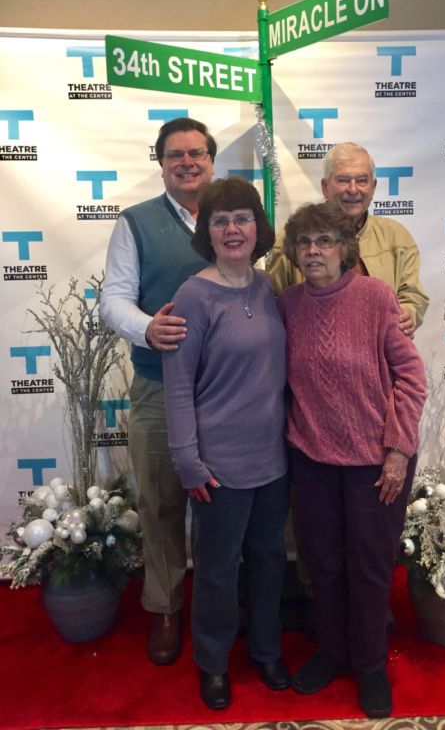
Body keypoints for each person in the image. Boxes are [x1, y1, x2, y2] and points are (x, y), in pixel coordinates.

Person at [277, 201, 427, 719]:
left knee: (368, 570)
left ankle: (368, 665)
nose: (313, 251)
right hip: (312, 459)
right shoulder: (287, 304)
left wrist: (398, 449)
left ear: (345, 248)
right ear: (294, 253)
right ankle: (332, 652)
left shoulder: (376, 297)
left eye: (325, 241)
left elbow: (411, 378)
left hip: (374, 464)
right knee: (322, 565)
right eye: (304, 242)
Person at [162, 176, 290, 710]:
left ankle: (265, 649)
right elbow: (178, 386)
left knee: (268, 560)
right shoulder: (193, 296)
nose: (232, 229)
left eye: (242, 218)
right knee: (216, 571)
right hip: (218, 466)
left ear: (258, 228)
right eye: (220, 220)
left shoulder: (267, 286)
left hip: (275, 460)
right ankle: (212, 663)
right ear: (206, 232)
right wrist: (188, 461)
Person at [100, 117, 216, 665]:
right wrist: (146, 326)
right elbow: (114, 299)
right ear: (162, 163)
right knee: (161, 503)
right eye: (176, 155)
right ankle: (166, 607)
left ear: (212, 160)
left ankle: (220, 606)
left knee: (227, 504)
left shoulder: (233, 215)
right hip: (156, 386)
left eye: (197, 153)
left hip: (228, 395)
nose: (187, 162)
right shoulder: (135, 223)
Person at [268, 141, 429, 336]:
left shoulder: (396, 237)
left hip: (379, 354)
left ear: (373, 186)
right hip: (313, 351)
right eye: (343, 180)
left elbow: (413, 295)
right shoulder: (294, 237)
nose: (353, 190)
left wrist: (408, 314)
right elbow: (273, 303)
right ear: (325, 187)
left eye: (362, 180)